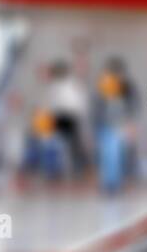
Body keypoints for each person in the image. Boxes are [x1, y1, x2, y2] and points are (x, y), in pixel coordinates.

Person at [91, 61, 131, 195]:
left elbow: (129, 107)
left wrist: (129, 124)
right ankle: (108, 184)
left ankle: (114, 183)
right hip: (104, 125)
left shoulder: (124, 88)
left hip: (117, 125)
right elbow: (96, 108)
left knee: (114, 155)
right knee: (107, 155)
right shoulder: (101, 88)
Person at [45, 60, 89, 176]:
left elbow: (79, 102)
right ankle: (62, 170)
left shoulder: (72, 83)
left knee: (74, 146)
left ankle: (76, 170)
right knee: (61, 146)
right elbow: (53, 104)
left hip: (72, 117)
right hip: (60, 117)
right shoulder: (54, 86)